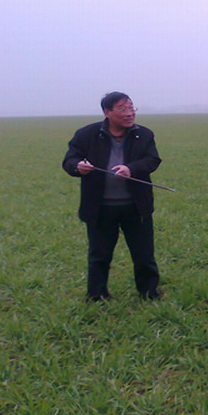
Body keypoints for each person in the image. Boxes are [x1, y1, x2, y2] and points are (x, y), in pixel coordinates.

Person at [62, 92, 162, 301]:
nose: (129, 113)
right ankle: (97, 296)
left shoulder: (144, 135)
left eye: (131, 108)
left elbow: (152, 160)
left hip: (136, 207)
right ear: (107, 112)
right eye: (123, 109)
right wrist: (78, 166)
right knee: (99, 255)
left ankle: (149, 293)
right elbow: (69, 160)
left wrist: (131, 169)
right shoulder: (87, 134)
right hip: (100, 208)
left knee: (144, 255)